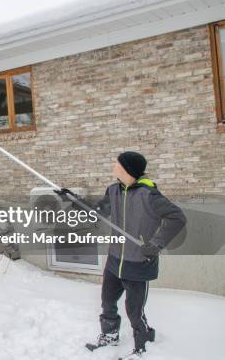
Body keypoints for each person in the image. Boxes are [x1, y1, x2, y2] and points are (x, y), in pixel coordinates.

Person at [86, 151, 186, 359]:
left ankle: (144, 344)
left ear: (127, 169)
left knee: (134, 310)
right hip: (115, 260)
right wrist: (76, 201)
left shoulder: (149, 195)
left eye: (117, 163)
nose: (113, 165)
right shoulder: (113, 190)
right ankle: (110, 335)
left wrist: (156, 244)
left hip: (138, 263)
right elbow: (100, 210)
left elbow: (177, 217)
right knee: (107, 302)